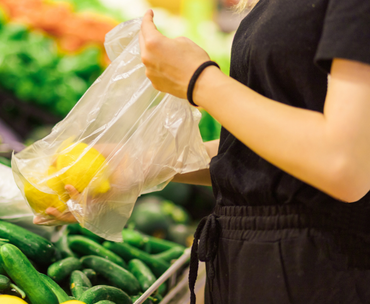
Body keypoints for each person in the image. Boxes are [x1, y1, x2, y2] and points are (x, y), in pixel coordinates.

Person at [139, 0, 370, 303]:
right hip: (255, 264)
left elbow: (346, 162)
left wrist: (199, 80)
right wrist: (136, 167)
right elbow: (271, 157)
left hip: (313, 270)